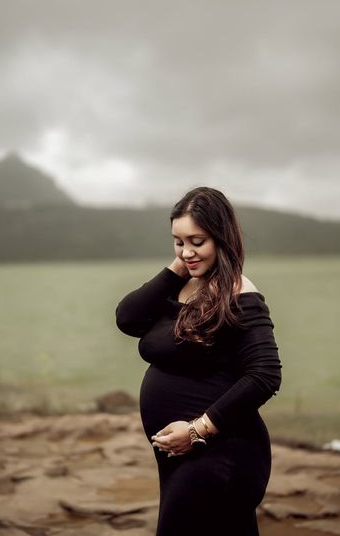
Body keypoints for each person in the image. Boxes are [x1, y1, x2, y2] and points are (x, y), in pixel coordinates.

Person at [115, 186, 282, 535]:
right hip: (182, 457)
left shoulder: (239, 293)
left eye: (197, 241)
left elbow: (265, 375)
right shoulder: (182, 285)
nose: (187, 251)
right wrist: (182, 265)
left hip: (220, 454)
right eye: (179, 241)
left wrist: (195, 431)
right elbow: (128, 318)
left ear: (222, 238)